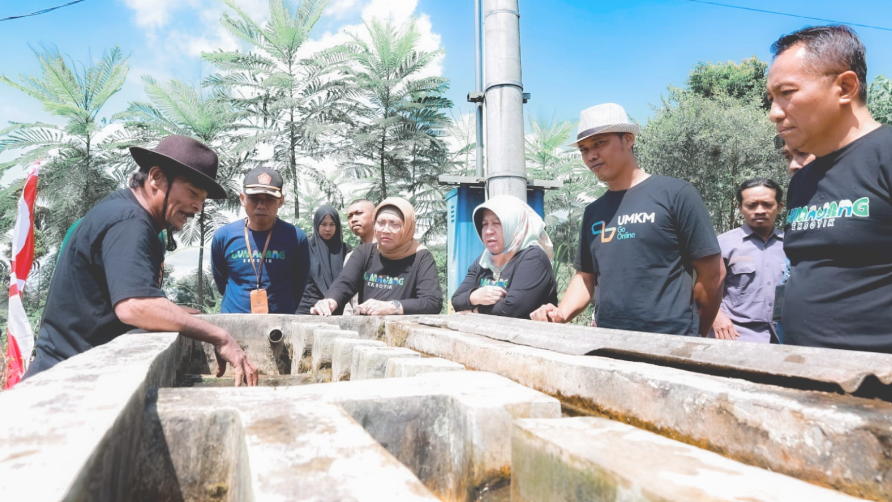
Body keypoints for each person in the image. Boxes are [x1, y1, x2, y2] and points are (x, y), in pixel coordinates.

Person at [25, 135, 258, 385]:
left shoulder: (128, 213)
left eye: (202, 199)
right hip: (63, 380)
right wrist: (219, 336)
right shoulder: (130, 222)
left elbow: (116, 299)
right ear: (156, 177)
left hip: (70, 372)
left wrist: (173, 311)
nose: (197, 207)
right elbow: (135, 306)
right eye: (192, 193)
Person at [530, 103, 725, 336]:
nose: (591, 155)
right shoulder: (594, 212)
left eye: (600, 143)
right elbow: (586, 277)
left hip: (670, 343)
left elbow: (713, 274)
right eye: (583, 149)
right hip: (608, 342)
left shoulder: (676, 194)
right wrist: (561, 313)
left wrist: (695, 334)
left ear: (629, 139)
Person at [768, 25, 891, 352]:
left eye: (787, 93)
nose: (774, 113)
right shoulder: (802, 181)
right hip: (803, 378)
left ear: (846, 87)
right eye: (771, 98)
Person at [311, 197, 442, 316]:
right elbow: (345, 283)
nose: (385, 230)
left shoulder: (421, 257)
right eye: (380, 223)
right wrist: (330, 301)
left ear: (408, 227)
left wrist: (392, 307)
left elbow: (432, 302)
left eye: (394, 224)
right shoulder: (365, 252)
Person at [211, 167, 309, 314]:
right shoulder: (223, 236)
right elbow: (221, 283)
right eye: (254, 198)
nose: (261, 205)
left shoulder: (296, 237)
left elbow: (299, 283)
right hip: (233, 324)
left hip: (280, 327)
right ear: (243, 199)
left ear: (281, 201)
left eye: (269, 199)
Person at [451, 194, 557, 318]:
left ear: (514, 225)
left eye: (497, 223)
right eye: (485, 224)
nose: (489, 231)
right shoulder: (484, 260)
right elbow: (457, 300)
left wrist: (475, 310)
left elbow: (512, 308)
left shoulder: (533, 258)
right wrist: (475, 296)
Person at [712, 179, 786, 343]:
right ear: (740, 208)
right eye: (751, 205)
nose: (759, 210)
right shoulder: (722, 244)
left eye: (767, 204)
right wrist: (716, 317)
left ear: (780, 207)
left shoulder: (793, 244)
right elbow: (705, 287)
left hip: (785, 334)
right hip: (737, 335)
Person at [295, 205, 351, 315]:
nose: (327, 229)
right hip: (307, 310)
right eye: (323, 224)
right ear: (316, 225)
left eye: (332, 224)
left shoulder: (345, 250)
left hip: (334, 310)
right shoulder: (305, 249)